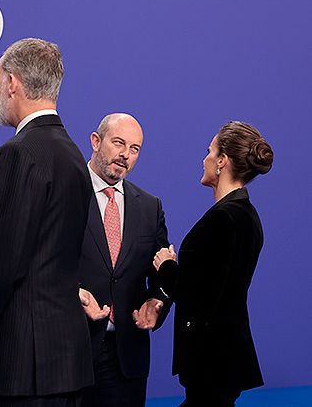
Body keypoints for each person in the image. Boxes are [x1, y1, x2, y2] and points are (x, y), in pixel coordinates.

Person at [0, 38, 94, 407]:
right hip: (67, 361)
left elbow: (1, 264)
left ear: (14, 83)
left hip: (26, 367)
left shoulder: (19, 153)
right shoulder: (73, 154)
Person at [153, 121, 274, 406]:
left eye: (209, 151)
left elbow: (199, 297)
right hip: (222, 359)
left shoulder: (223, 219)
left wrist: (167, 265)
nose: (204, 158)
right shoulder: (247, 215)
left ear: (222, 161)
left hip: (210, 360)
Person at [77, 113, 171, 407]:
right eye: (118, 143)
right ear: (95, 141)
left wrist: (157, 302)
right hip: (70, 351)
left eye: (134, 149)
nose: (125, 155)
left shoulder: (150, 207)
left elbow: (160, 277)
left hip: (126, 358)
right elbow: (43, 261)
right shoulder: (64, 191)